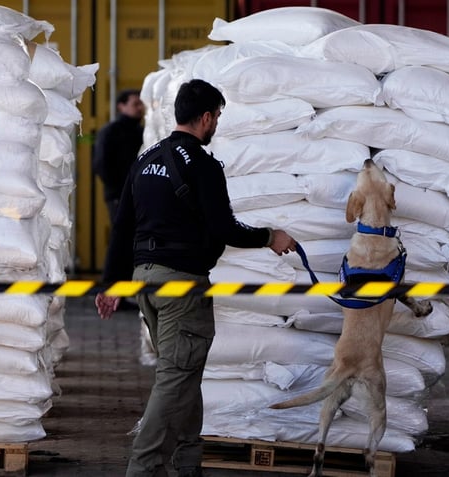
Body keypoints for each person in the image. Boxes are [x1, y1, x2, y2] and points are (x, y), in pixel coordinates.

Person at [94, 79, 297, 477]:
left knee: (184, 373)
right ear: (205, 117)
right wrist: (270, 237)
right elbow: (225, 229)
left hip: (145, 282)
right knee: (175, 376)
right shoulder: (202, 165)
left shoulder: (146, 158)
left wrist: (112, 283)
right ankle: (143, 466)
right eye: (217, 116)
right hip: (182, 285)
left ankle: (188, 460)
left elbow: (122, 227)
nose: (217, 123)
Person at [93, 88, 145, 225]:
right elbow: (100, 164)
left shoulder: (143, 133)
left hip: (141, 196)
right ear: (121, 106)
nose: (140, 108)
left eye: (141, 104)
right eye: (135, 104)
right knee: (122, 237)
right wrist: (119, 190)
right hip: (118, 196)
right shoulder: (109, 132)